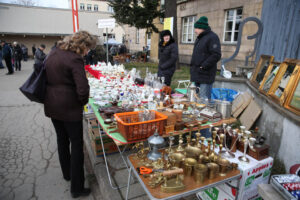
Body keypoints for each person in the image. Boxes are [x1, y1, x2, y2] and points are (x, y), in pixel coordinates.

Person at [43, 30, 97, 198]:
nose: (88, 52)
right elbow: (82, 89)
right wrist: (81, 103)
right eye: (88, 48)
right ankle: (77, 187)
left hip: (52, 104)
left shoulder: (54, 52)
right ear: (82, 46)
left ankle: (67, 174)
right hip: (69, 108)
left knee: (61, 140)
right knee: (76, 145)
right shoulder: (74, 59)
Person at [190, 16, 221, 100]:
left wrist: (203, 66)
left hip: (205, 75)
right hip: (197, 74)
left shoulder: (212, 37)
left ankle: (204, 113)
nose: (195, 30)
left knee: (204, 100)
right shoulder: (200, 38)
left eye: (196, 28)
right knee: (196, 98)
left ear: (201, 28)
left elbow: (216, 55)